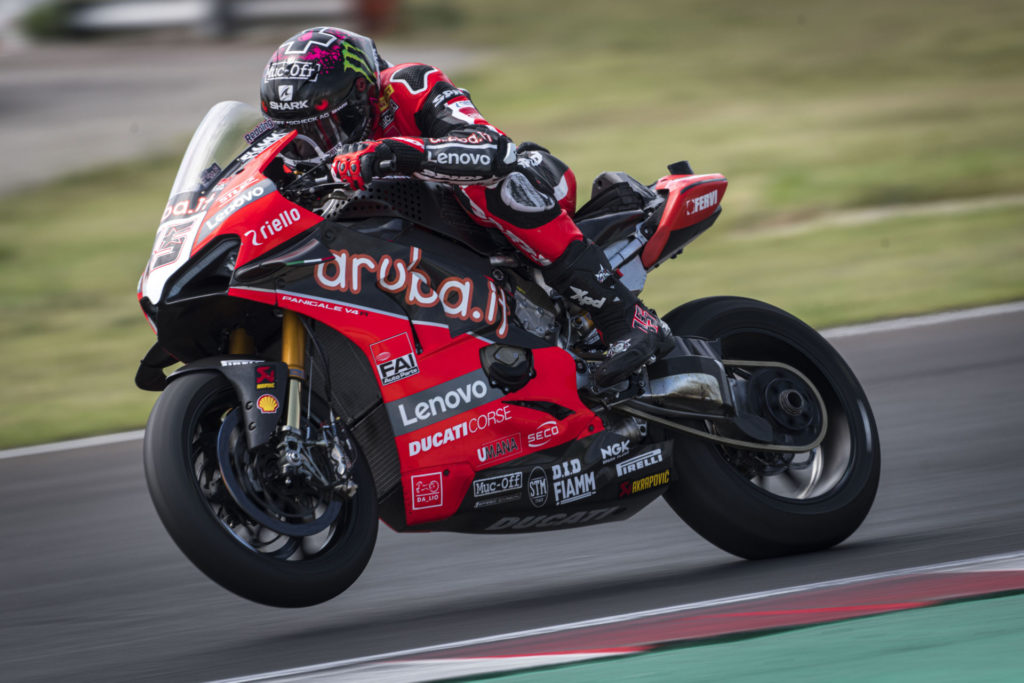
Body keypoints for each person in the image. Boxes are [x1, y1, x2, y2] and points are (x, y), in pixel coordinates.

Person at [259, 26, 675, 387]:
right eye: (297, 130)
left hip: (528, 181)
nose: (317, 141)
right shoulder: (290, 132)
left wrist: (389, 152)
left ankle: (627, 318)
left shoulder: (408, 84)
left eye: (326, 124)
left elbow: (494, 150)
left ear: (363, 93)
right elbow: (252, 174)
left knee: (494, 185)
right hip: (417, 232)